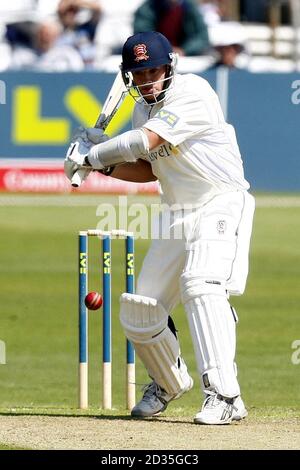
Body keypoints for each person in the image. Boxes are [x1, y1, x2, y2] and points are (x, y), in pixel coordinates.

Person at [64, 31, 255, 425]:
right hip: (177, 211)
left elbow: (144, 141)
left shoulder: (194, 92)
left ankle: (224, 395)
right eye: (140, 73)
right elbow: (148, 167)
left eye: (155, 70)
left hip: (220, 201)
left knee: (201, 285)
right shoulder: (142, 110)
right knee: (140, 311)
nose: (148, 79)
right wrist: (98, 165)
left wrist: (93, 152)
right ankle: (168, 382)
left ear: (170, 67)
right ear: (128, 76)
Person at [133, 0, 209, 56]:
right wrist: (162, 49)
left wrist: (184, 50)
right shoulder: (148, 8)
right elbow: (142, 36)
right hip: (156, 58)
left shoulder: (190, 7)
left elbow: (202, 37)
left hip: (185, 59)